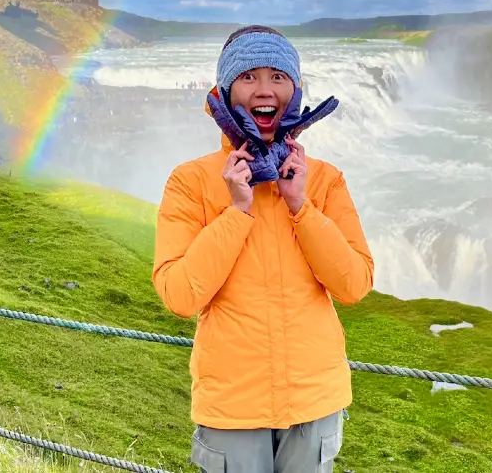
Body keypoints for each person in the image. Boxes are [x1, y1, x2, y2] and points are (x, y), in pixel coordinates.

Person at [153, 25, 374, 473]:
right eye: (249, 76)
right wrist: (237, 211)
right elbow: (179, 294)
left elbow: (354, 284)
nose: (264, 89)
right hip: (232, 406)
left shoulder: (324, 180)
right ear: (226, 90)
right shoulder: (190, 180)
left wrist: (301, 205)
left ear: (294, 89)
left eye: (277, 76)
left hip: (314, 400)